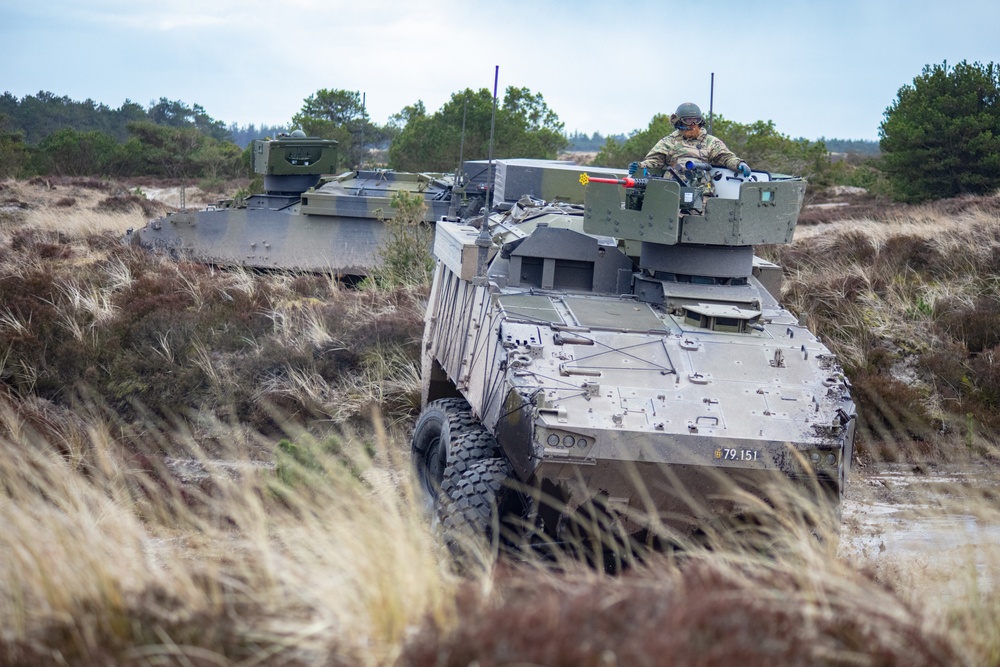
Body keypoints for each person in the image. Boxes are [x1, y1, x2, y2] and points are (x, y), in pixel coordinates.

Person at [631, 102, 750, 177]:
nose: (693, 124)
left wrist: (739, 164)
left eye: (696, 120)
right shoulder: (669, 142)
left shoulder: (710, 142)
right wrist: (640, 166)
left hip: (701, 192)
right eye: (688, 120)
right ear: (679, 122)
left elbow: (726, 157)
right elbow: (655, 161)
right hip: (671, 191)